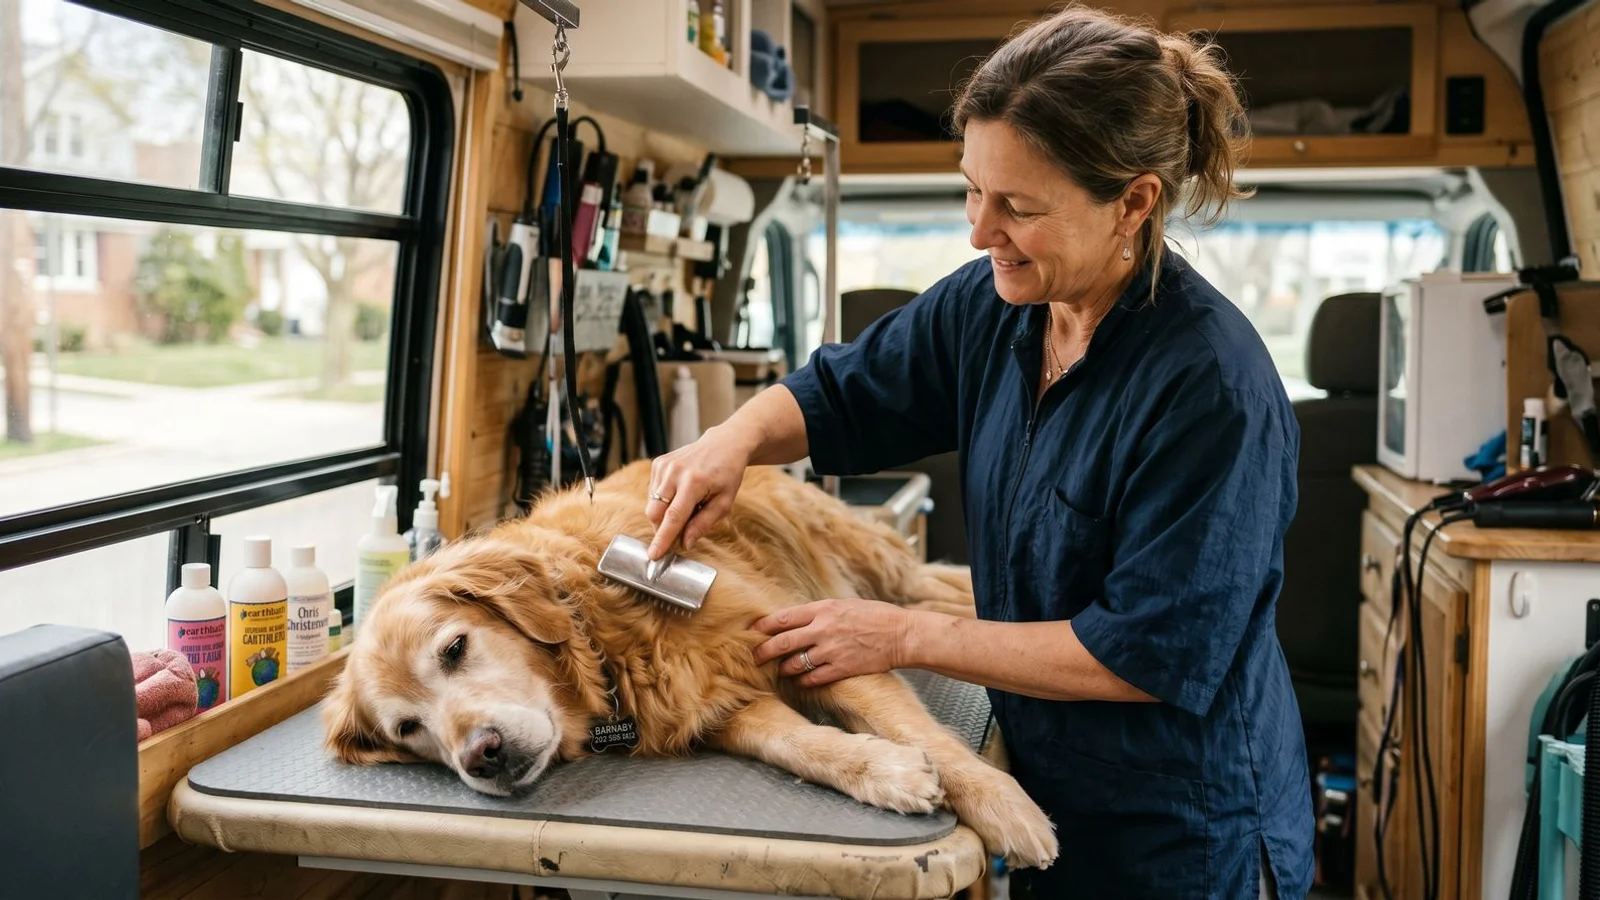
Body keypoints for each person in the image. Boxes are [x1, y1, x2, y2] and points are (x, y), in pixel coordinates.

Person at [642, 5, 1313, 898]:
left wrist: (907, 633)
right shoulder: (994, 306)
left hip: (1181, 828)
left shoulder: (1210, 392)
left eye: (1018, 207)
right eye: (972, 189)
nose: (978, 229)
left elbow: (1141, 654)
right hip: (1053, 789)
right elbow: (844, 390)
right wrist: (730, 441)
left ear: (1134, 203)